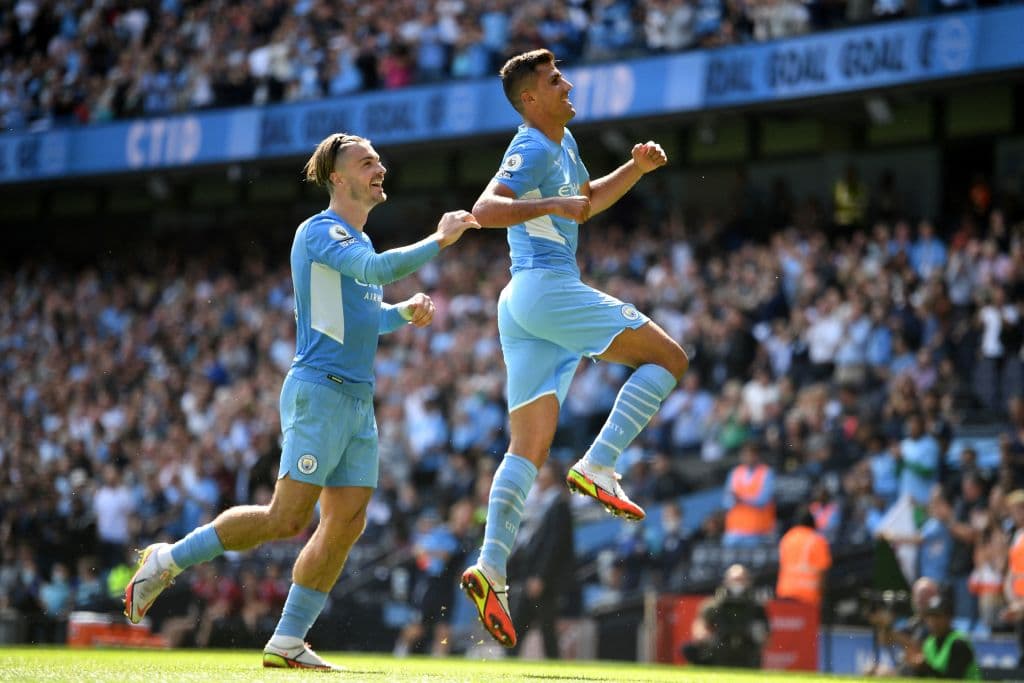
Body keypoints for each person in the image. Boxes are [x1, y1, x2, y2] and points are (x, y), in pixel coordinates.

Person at [122, 132, 479, 670]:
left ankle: (288, 640)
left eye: (379, 160)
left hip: (357, 400)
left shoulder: (354, 243)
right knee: (287, 517)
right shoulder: (321, 232)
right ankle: (167, 559)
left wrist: (401, 314)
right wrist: (440, 238)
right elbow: (379, 272)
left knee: (347, 522)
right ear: (338, 178)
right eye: (366, 162)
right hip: (319, 391)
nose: (379, 168)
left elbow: (363, 317)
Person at [458, 48, 688, 648]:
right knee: (670, 358)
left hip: (524, 303)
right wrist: (551, 204)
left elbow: (586, 200)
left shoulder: (563, 143)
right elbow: (485, 209)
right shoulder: (533, 143)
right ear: (530, 99)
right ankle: (598, 464)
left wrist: (634, 169)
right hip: (545, 286)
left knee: (528, 448)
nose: (566, 85)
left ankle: (492, 566)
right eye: (554, 80)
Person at [507, 461, 575, 659]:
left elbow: (554, 546)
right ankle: (512, 658)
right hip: (538, 578)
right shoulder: (547, 504)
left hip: (544, 580)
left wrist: (539, 576)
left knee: (533, 626)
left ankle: (510, 659)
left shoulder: (559, 506)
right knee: (537, 627)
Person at [681, 564, 769, 669]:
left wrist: (759, 635)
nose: (738, 584)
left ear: (748, 582)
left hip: (746, 655)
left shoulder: (756, 607)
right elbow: (700, 626)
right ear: (726, 581)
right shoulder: (713, 605)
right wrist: (704, 636)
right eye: (735, 580)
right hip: (718, 654)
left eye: (741, 580)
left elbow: (766, 636)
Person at [907, 590, 981, 679]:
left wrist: (925, 666)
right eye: (930, 616)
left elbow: (952, 679)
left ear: (949, 618)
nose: (933, 621)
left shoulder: (959, 644)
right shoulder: (929, 643)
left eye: (938, 616)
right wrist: (918, 667)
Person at [723, 441, 776, 547]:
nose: (747, 457)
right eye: (744, 454)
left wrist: (741, 499)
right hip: (734, 531)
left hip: (758, 531)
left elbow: (763, 500)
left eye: (750, 454)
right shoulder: (735, 473)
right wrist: (733, 500)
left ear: (757, 456)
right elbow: (726, 502)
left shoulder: (767, 473)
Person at [776, 508, 832, 610]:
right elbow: (823, 570)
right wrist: (823, 595)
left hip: (785, 590)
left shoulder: (787, 538)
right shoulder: (817, 540)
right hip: (808, 594)